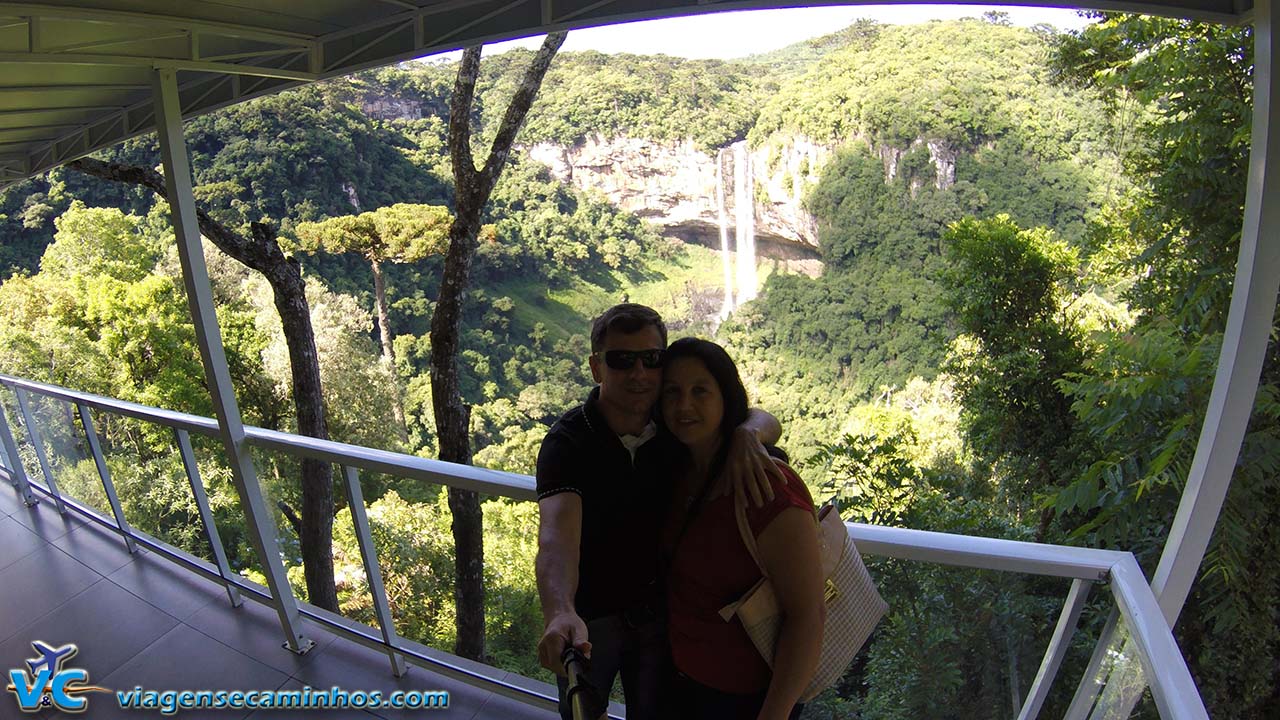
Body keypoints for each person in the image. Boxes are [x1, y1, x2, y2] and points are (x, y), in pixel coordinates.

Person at [535, 304, 783, 720]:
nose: (639, 374)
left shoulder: (673, 424)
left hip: (662, 615)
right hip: (590, 621)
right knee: (582, 711)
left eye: (652, 360)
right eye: (622, 360)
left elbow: (761, 417)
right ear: (597, 368)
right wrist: (560, 610)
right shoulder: (570, 443)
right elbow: (557, 539)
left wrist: (747, 433)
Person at [660, 337, 824, 720]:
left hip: (748, 700)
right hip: (681, 684)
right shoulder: (674, 471)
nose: (684, 405)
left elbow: (808, 616)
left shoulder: (766, 487)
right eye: (672, 392)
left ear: (726, 398)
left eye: (701, 390)